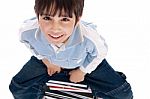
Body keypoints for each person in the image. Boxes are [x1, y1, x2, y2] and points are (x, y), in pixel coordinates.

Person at [9, 0, 133, 99]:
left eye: (65, 19)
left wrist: (82, 71)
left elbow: (100, 53)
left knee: (122, 93)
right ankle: (49, 86)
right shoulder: (27, 31)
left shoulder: (89, 37)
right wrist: (46, 60)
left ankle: (83, 85)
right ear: (37, 15)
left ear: (78, 19)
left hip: (82, 61)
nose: (55, 28)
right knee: (17, 87)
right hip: (49, 59)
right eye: (47, 18)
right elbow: (27, 42)